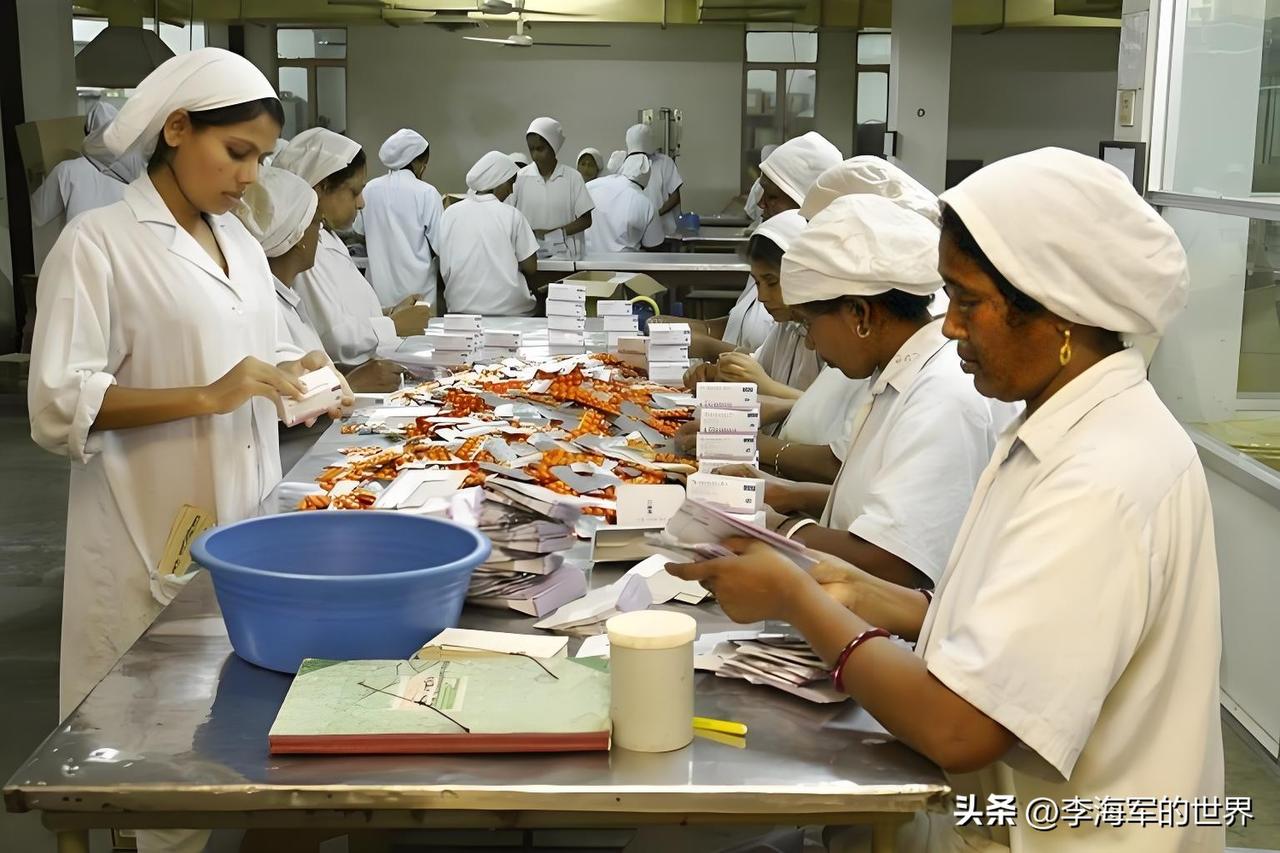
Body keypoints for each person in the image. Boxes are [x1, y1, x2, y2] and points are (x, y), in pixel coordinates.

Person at [670, 148, 1223, 853]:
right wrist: (863, 591)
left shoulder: (1101, 475)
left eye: (967, 303)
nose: (951, 326)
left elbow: (960, 728)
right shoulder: (1063, 426)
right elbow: (1019, 625)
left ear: (1056, 313)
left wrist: (796, 598)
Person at [27, 48, 350, 853]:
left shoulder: (237, 244)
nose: (249, 178)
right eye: (236, 152)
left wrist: (309, 379)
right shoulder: (98, 244)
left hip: (244, 521)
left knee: (242, 754)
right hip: (146, 529)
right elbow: (58, 402)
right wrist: (209, 394)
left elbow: (268, 358)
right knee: (155, 771)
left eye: (263, 160)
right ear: (177, 129)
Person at [742, 194, 1015, 588]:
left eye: (809, 325)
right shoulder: (897, 373)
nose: (810, 345)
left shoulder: (942, 396)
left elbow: (896, 561)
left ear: (859, 314)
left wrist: (777, 529)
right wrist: (788, 494)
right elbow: (888, 505)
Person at [234, 165, 403, 402]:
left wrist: (347, 375)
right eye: (316, 224)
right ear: (298, 237)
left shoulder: (286, 298)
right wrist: (352, 383)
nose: (320, 233)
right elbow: (276, 402)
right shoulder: (268, 307)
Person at [673, 132, 843, 361]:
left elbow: (770, 375)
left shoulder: (817, 300)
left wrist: (706, 346)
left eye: (772, 196)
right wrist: (684, 328)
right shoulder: (770, 256)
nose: (761, 203)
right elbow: (741, 327)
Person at [274, 127, 429, 366]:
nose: (361, 203)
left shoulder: (330, 238)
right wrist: (393, 325)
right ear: (321, 187)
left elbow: (346, 311)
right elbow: (333, 336)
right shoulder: (300, 248)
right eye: (354, 192)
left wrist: (388, 313)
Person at [682, 210, 820, 398]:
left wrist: (767, 387)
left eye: (772, 282)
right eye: (757, 283)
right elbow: (759, 365)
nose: (762, 296)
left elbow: (831, 412)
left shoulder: (827, 332)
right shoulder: (787, 325)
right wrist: (716, 373)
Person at [439, 151, 539, 316]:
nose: (511, 191)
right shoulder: (512, 215)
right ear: (498, 181)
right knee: (542, 304)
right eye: (510, 183)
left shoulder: (450, 214)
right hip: (510, 311)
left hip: (460, 309)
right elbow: (531, 267)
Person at [31, 102, 147, 243]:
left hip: (80, 253)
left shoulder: (66, 170)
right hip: (124, 250)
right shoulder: (136, 171)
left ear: (87, 132)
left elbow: (35, 215)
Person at [360, 128, 444, 311]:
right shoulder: (427, 193)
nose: (425, 168)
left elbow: (359, 231)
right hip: (418, 294)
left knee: (383, 335)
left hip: (379, 292)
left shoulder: (369, 190)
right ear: (415, 161)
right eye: (424, 162)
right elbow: (440, 245)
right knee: (417, 337)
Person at [511, 116, 594, 259]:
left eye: (540, 149)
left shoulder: (572, 178)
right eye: (531, 149)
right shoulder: (519, 178)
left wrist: (555, 234)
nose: (535, 155)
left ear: (553, 147)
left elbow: (586, 219)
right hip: (529, 261)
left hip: (565, 260)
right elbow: (508, 216)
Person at [584, 152, 665, 254]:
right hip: (623, 266)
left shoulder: (590, 186)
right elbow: (653, 246)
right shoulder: (647, 204)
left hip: (584, 264)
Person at [625, 122, 683, 237]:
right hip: (634, 230)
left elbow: (675, 197)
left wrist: (654, 215)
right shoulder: (626, 164)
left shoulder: (665, 162)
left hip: (664, 230)